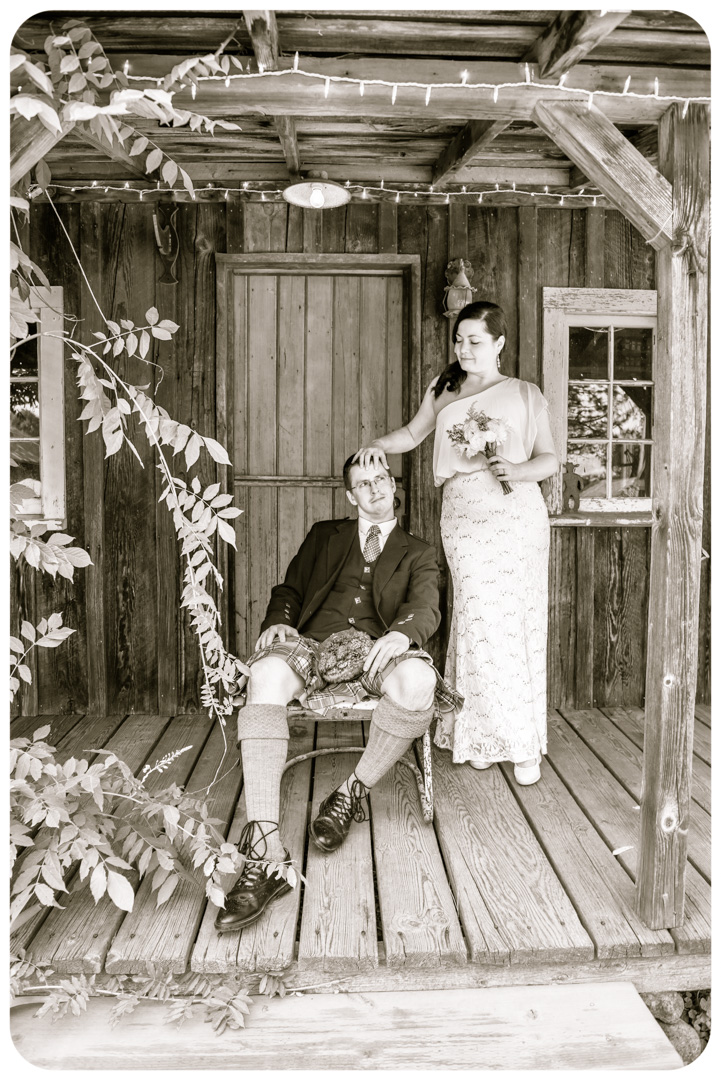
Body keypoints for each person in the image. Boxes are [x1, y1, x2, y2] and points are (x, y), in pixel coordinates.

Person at [215, 453, 461, 934]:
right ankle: (265, 851)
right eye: (364, 483)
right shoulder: (324, 535)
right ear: (350, 495)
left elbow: (427, 607)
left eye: (382, 479)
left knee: (420, 682)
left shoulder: (418, 551)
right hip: (311, 644)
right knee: (263, 677)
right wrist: (279, 621)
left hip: (375, 651)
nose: (376, 488)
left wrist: (402, 634)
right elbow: (289, 589)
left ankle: (351, 792)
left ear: (393, 485)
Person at [355, 300, 558, 785]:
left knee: (515, 622)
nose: (464, 349)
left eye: (475, 341)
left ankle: (521, 743)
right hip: (464, 516)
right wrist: (379, 445)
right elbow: (412, 433)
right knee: (478, 618)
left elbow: (550, 459)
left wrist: (517, 469)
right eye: (459, 340)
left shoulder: (525, 393)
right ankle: (481, 735)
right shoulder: (445, 388)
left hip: (517, 514)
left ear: (499, 343)